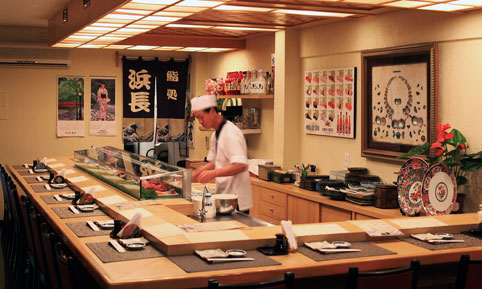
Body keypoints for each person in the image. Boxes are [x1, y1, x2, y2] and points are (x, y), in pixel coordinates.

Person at [191, 94, 253, 213]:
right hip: (223, 197)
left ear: (212, 111)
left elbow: (241, 165)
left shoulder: (231, 133)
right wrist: (198, 172)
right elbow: (215, 163)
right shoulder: (215, 135)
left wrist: (212, 174)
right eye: (198, 118)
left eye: (201, 117)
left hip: (237, 199)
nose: (200, 121)